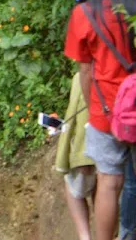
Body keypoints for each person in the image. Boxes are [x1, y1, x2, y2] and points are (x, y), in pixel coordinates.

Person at [64, 0, 136, 240]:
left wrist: (94, 112)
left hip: (107, 112)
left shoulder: (85, 14)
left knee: (109, 183)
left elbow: (86, 70)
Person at [55, 72, 94, 240]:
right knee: (105, 188)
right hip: (119, 147)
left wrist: (72, 154)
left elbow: (75, 118)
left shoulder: (82, 76)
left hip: (88, 147)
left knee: (72, 186)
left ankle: (85, 236)